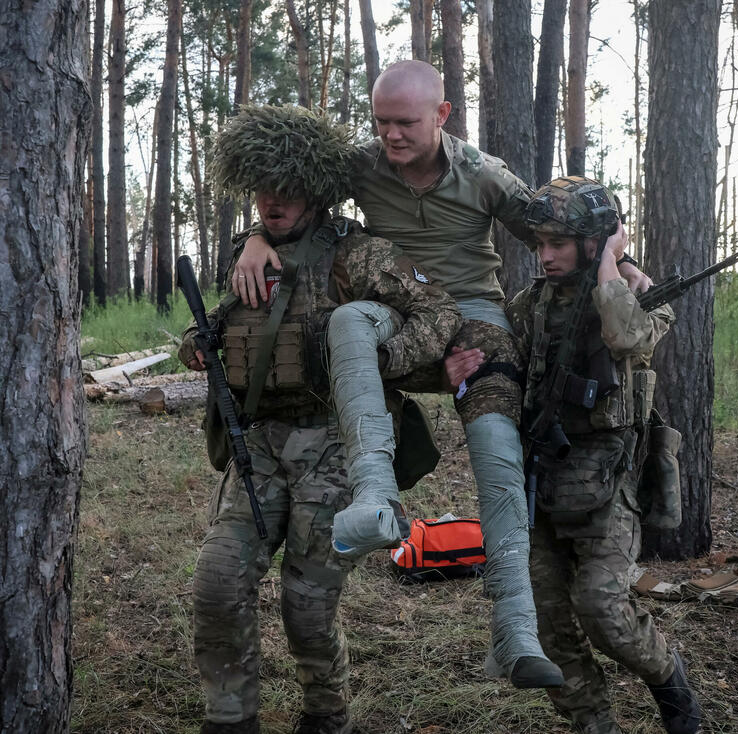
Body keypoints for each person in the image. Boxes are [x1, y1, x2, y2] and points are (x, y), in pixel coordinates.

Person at [232, 60, 651, 689]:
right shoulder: (360, 167)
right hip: (396, 311)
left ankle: (515, 633)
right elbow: (293, 204)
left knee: (496, 446)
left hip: (475, 320)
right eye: (381, 122)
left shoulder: (483, 176)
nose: (391, 136)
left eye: (405, 123)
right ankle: (375, 498)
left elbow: (557, 227)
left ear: (442, 116)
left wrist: (621, 262)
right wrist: (252, 239)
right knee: (348, 320)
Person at [180, 104, 461, 734]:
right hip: (259, 449)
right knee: (219, 585)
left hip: (331, 447)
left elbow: (439, 313)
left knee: (306, 609)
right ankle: (229, 719)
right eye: (262, 191)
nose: (273, 203)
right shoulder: (247, 257)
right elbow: (226, 331)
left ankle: (326, 714)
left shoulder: (354, 255)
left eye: (288, 190)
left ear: (314, 189)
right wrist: (198, 347)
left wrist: (376, 359)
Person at [447, 176, 702, 734]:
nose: (544, 255)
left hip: (608, 485)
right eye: (539, 243)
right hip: (541, 477)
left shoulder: (635, 295)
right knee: (546, 621)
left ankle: (670, 682)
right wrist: (461, 372)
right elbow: (493, 359)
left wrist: (613, 261)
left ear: (593, 240)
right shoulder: (530, 304)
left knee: (605, 611)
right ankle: (591, 723)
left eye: (558, 243)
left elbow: (628, 340)